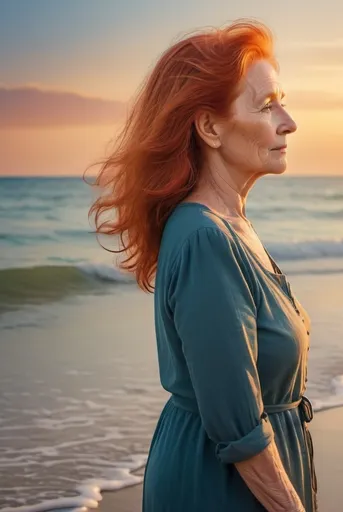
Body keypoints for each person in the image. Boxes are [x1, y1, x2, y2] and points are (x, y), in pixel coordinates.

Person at [88, 19, 317, 512]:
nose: (288, 121)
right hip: (218, 489)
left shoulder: (231, 226)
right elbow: (238, 427)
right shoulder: (205, 239)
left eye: (282, 100)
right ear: (210, 127)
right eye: (266, 105)